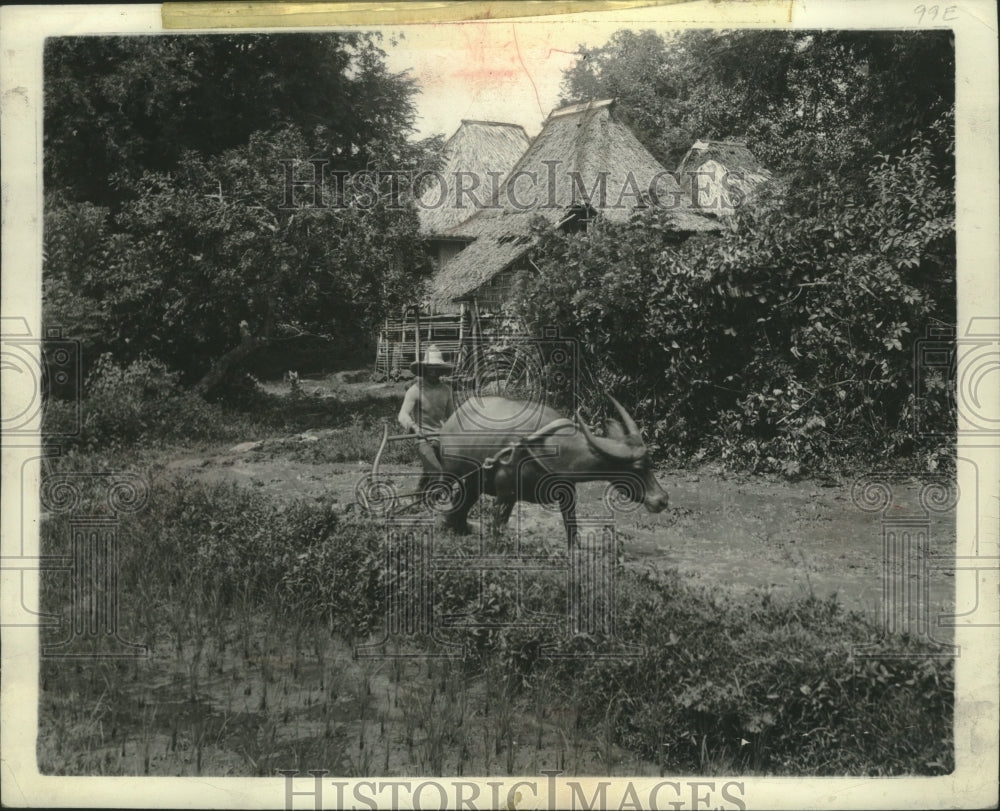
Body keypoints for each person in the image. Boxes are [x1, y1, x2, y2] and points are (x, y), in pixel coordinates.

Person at [397, 345, 455, 504]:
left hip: (441, 438)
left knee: (449, 470)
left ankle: (419, 497)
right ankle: (446, 509)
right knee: (438, 472)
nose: (433, 371)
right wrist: (414, 427)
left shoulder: (446, 390)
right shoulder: (415, 390)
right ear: (423, 368)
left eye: (436, 368)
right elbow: (402, 415)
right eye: (430, 368)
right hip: (422, 438)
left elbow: (452, 417)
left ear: (441, 370)